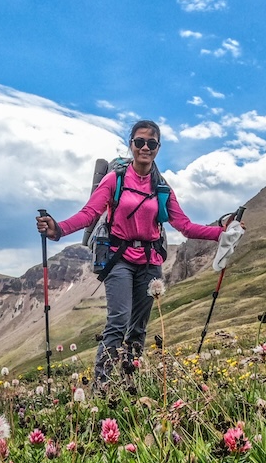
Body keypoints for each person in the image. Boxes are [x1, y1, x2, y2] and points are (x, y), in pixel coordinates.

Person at [36, 120, 237, 389]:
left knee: (139, 329)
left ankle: (130, 381)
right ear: (131, 144)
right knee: (118, 321)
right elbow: (89, 214)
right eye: (139, 142)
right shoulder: (115, 179)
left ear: (157, 148)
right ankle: (102, 387)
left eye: (151, 143)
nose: (145, 147)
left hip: (150, 264)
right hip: (118, 260)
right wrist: (58, 229)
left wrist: (221, 233)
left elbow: (185, 226)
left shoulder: (162, 188)